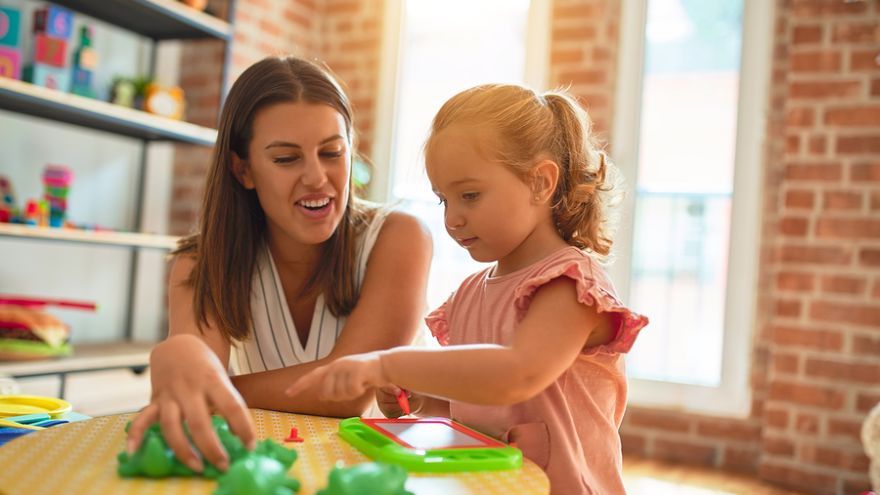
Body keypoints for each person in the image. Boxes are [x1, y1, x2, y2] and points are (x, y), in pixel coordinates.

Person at [287, 84, 649, 494]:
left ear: (541, 183)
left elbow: (517, 373)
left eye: (470, 195)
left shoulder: (571, 285)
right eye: (444, 200)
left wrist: (386, 364)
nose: (453, 219)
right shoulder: (469, 294)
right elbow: (469, 407)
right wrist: (418, 399)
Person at [125, 56, 432, 474]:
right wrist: (179, 360)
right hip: (270, 466)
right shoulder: (199, 263)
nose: (317, 178)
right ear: (243, 169)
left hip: (375, 472)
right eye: (287, 159)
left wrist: (220, 389)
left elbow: (347, 395)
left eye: (332, 152)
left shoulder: (400, 237)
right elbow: (193, 374)